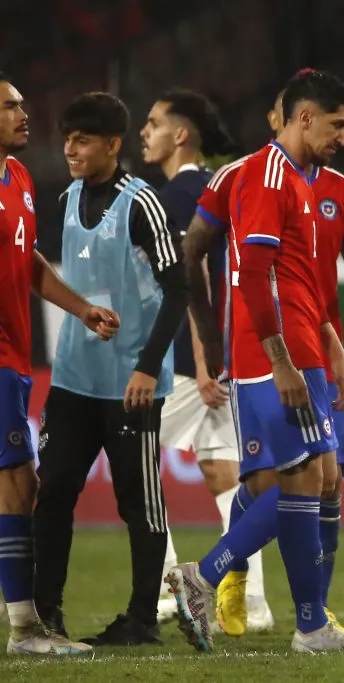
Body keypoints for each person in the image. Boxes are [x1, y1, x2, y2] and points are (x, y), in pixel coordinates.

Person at [166, 69, 344, 654]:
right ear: (303, 117)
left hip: (305, 347)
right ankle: (208, 579)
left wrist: (332, 349)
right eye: (337, 125)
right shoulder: (263, 177)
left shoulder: (308, 183)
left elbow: (305, 283)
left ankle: (310, 623)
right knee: (301, 479)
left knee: (319, 476)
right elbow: (255, 277)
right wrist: (276, 361)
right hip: (275, 355)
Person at [33, 91, 189, 645]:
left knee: (139, 502)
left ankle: (142, 620)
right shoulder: (65, 198)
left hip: (129, 383)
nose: (70, 149)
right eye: (67, 138)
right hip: (73, 380)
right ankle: (45, 615)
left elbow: (178, 289)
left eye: (82, 139)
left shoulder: (140, 202)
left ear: (113, 145)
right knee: (51, 493)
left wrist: (148, 367)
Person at [139, 88, 274, 631]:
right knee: (225, 476)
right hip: (216, 361)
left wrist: (201, 362)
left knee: (134, 459)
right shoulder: (211, 188)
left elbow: (198, 279)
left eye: (152, 123)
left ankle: (164, 590)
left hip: (191, 363)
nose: (144, 133)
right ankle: (253, 604)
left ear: (181, 134)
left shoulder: (181, 195)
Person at [0, 72, 110, 657]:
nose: (25, 114)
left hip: (16, 357)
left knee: (19, 482)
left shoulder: (16, 177)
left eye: (21, 104)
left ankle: (26, 626)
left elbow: (28, 257)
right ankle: (25, 631)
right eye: (11, 107)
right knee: (19, 482)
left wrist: (82, 307)